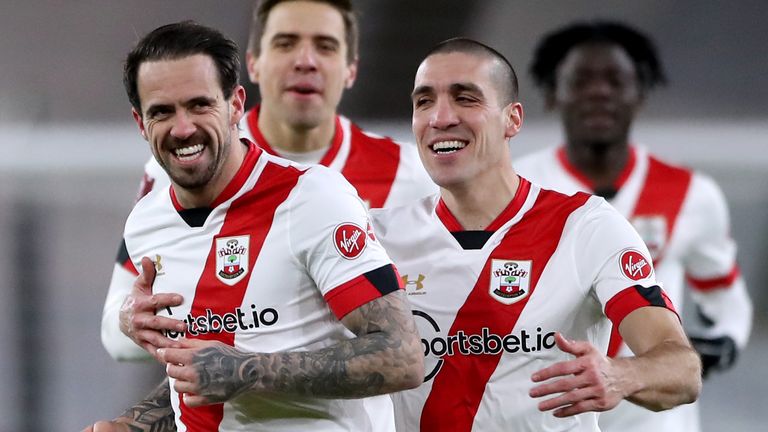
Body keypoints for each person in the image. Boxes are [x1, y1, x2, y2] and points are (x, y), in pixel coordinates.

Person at [87, 20, 423, 431]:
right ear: (141, 123)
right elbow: (201, 373)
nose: (183, 128)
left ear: (234, 105)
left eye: (199, 104)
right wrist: (132, 425)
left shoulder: (312, 198)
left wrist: (248, 369)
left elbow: (402, 356)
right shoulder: (146, 222)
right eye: (162, 112)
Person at [369, 37, 701, 431]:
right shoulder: (377, 236)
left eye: (465, 98)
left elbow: (682, 368)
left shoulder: (585, 227)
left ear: (513, 119)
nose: (440, 117)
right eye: (424, 101)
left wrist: (620, 375)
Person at [516, 21, 753, 432]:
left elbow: (726, 297)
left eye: (615, 80)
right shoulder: (517, 189)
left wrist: (721, 345)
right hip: (547, 411)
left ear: (640, 94)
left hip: (655, 419)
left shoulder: (692, 194)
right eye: (581, 80)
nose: (599, 91)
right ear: (553, 94)